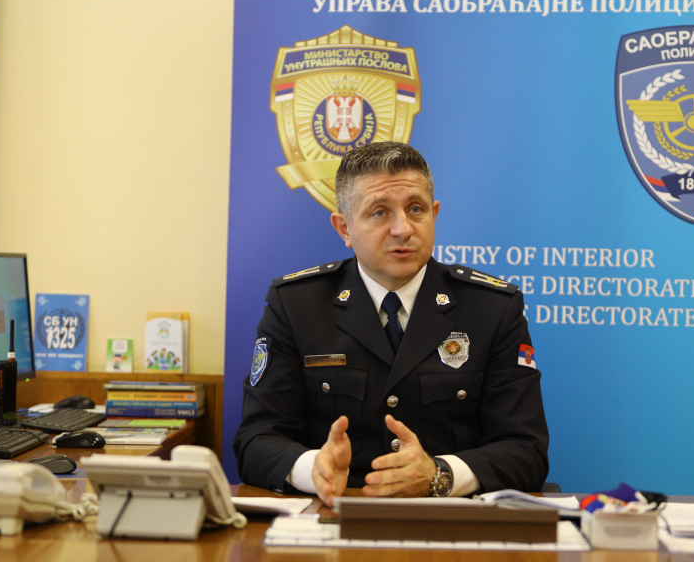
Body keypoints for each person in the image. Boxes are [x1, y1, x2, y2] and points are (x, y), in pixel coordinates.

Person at [233, 141, 549, 504]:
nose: (403, 229)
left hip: (448, 519)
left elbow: (526, 451)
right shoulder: (296, 306)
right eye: (380, 212)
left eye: (415, 209)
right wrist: (313, 468)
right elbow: (256, 440)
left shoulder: (492, 309)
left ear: (434, 215)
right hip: (336, 514)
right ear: (344, 228)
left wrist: (440, 474)